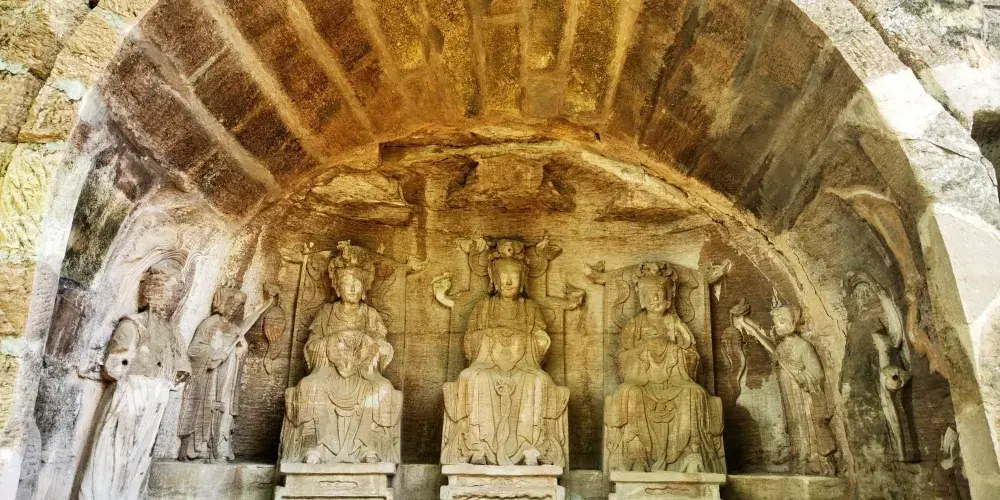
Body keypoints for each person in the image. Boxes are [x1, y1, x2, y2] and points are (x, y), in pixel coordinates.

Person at [441, 241, 569, 467]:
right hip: (488, 363)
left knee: (539, 380)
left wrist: (524, 339)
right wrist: (490, 336)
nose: (508, 281)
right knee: (472, 377)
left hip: (523, 365)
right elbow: (469, 342)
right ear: (494, 279)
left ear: (523, 279)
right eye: (503, 276)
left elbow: (543, 342)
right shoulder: (484, 307)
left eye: (514, 276)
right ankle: (477, 446)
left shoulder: (530, 308)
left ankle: (531, 446)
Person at [79, 259, 191, 500]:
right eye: (170, 292)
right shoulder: (134, 324)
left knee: (140, 453)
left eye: (176, 294)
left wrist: (173, 376)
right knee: (114, 450)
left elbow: (180, 370)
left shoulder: (173, 332)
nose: (173, 299)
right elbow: (113, 366)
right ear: (156, 291)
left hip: (156, 397)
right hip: (132, 393)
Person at [280, 243, 400, 464]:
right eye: (346, 283)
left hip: (363, 375)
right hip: (329, 372)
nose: (352, 288)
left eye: (357, 283)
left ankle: (366, 447)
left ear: (365, 288)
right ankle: (319, 446)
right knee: (309, 385)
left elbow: (384, 347)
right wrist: (333, 342)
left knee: (383, 388)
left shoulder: (370, 315)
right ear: (337, 287)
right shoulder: (327, 313)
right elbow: (311, 346)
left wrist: (372, 345)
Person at [605, 264, 725, 473]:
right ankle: (636, 454)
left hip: (675, 380)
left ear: (669, 298)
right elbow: (622, 358)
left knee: (694, 392)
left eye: (660, 294)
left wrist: (672, 350)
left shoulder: (675, 323)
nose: (656, 298)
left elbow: (693, 356)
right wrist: (644, 349)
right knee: (629, 392)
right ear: (642, 299)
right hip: (643, 381)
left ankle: (691, 452)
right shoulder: (635, 324)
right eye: (650, 295)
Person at [178, 286, 274, 462]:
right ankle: (201, 448)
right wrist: (214, 354)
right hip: (210, 378)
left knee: (224, 409)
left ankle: (220, 447)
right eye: (233, 304)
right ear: (223, 303)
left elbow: (241, 341)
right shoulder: (210, 323)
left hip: (228, 377)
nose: (235, 309)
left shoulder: (235, 329)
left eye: (239, 306)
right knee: (208, 407)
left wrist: (241, 349)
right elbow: (194, 350)